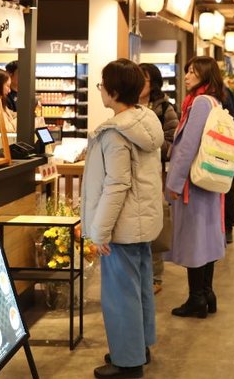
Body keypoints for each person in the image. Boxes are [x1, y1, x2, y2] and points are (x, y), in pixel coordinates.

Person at [82, 59, 164, 379]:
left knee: (120, 295)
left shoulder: (115, 133)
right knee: (139, 288)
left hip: (122, 227)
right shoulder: (145, 121)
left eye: (102, 85)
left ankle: (128, 362)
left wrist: (100, 232)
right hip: (141, 223)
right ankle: (138, 347)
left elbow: (116, 185)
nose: (100, 90)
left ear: (114, 92)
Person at [165, 56, 228, 319]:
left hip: (194, 183)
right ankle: (207, 293)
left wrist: (174, 182)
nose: (187, 76)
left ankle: (196, 298)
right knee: (206, 239)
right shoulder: (214, 100)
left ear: (204, 75)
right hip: (209, 179)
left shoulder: (200, 103)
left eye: (192, 72)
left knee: (194, 240)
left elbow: (188, 145)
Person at [139, 63, 179, 295]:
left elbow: (172, 144)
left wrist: (148, 143)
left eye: (143, 79)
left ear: (153, 83)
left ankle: (155, 276)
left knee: (154, 223)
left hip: (155, 175)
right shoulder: (128, 106)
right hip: (133, 174)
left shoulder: (165, 108)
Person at [221, 84, 234, 245]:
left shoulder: (223, 94)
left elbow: (233, 122)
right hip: (226, 147)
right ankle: (226, 227)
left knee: (226, 187)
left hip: (224, 148)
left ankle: (227, 227)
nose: (187, 77)